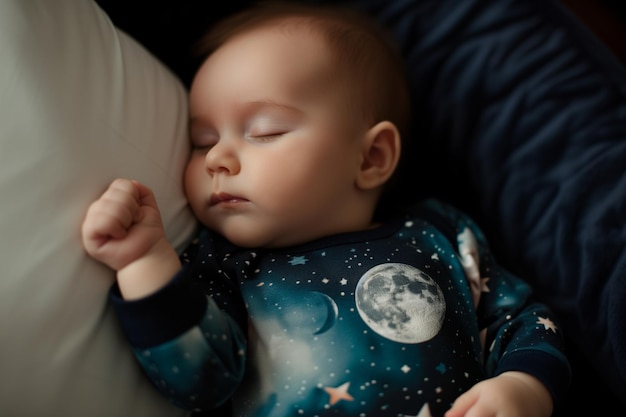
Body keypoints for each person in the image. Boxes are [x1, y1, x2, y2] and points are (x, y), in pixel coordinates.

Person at [81, 2, 571, 416]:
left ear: (371, 157)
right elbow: (200, 375)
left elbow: (518, 319)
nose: (216, 159)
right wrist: (144, 258)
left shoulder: (438, 231)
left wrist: (526, 387)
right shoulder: (220, 266)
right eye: (201, 140)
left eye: (266, 131)